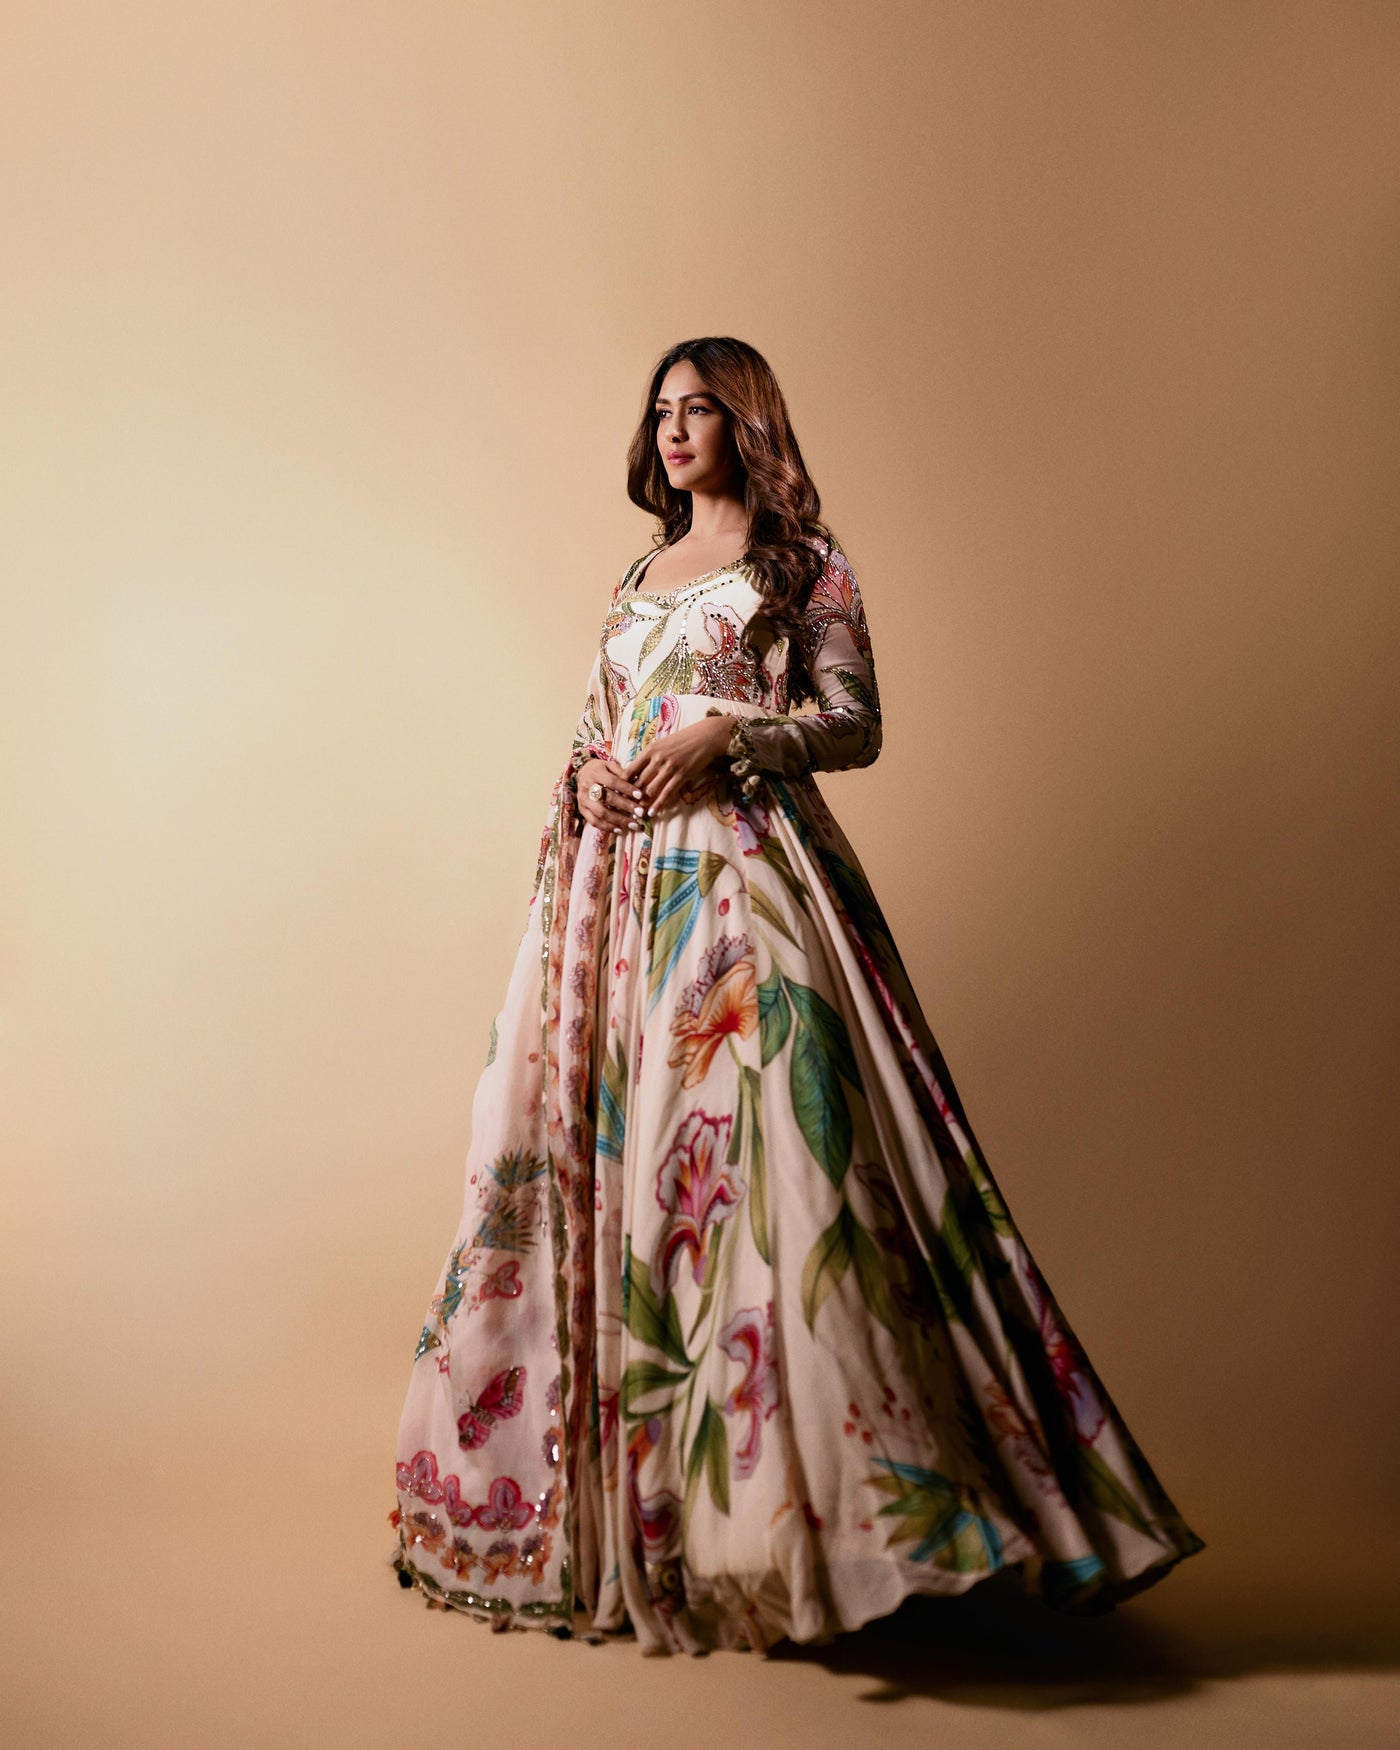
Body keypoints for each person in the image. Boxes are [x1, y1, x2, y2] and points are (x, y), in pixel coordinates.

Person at [389, 336, 1205, 1656]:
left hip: (748, 888)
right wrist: (590, 778)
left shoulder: (804, 566)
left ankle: (849, 1517)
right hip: (622, 912)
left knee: (792, 1181)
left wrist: (736, 734)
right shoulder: (638, 575)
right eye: (661, 410)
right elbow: (599, 726)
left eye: (700, 408)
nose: (674, 429)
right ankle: (681, 1518)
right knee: (649, 1188)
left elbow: (855, 724)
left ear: (747, 420)